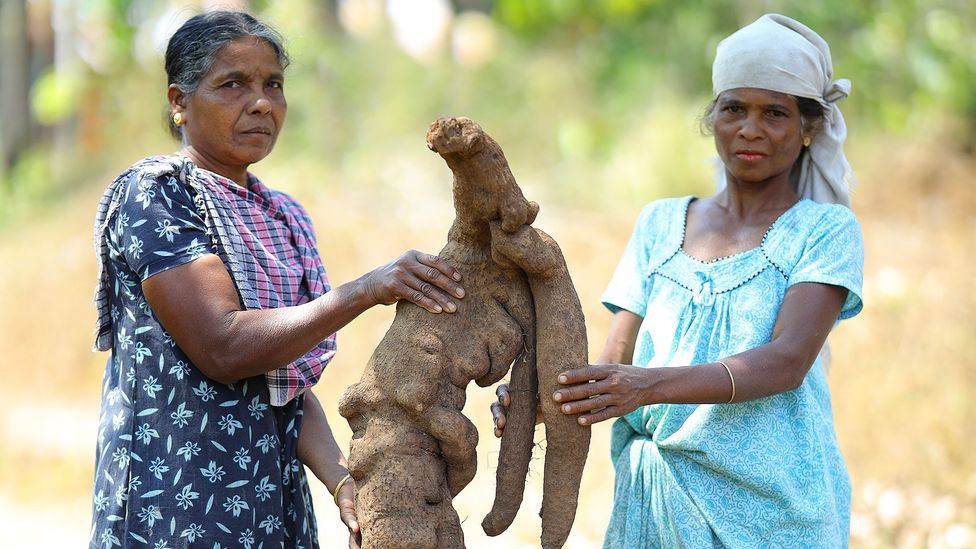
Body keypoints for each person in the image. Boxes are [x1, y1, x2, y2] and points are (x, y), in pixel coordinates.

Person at [89, 11, 466, 549]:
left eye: (273, 85)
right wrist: (366, 290)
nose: (261, 102)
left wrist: (341, 484)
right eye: (232, 84)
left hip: (271, 500)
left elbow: (284, 383)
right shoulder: (156, 196)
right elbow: (226, 347)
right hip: (177, 499)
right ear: (179, 102)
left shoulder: (281, 214)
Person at [492, 13, 863, 547]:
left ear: (808, 129)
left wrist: (645, 387)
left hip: (773, 512)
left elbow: (787, 362)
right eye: (734, 108)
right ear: (712, 118)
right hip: (656, 506)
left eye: (775, 113)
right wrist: (546, 397)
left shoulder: (824, 230)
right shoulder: (661, 223)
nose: (750, 128)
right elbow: (616, 357)